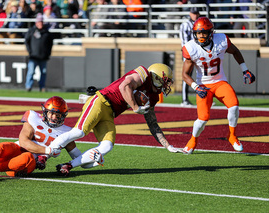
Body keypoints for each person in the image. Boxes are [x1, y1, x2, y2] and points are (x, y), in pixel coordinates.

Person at [49, 63, 181, 176]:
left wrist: (168, 146)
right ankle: (46, 154)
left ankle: (67, 165)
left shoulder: (153, 97)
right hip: (101, 101)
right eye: (165, 80)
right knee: (79, 132)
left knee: (107, 146)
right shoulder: (143, 74)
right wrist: (135, 107)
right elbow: (124, 86)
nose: (166, 84)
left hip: (110, 113)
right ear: (157, 77)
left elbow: (152, 123)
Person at [0, 96, 82, 177]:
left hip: (27, 163)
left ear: (63, 116)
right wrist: (48, 151)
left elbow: (77, 157)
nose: (54, 117)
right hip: (17, 150)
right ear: (44, 112)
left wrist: (71, 164)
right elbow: (24, 141)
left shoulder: (67, 132)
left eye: (58, 115)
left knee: (25, 159)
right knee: (1, 147)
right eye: (51, 113)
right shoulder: (33, 117)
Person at [181, 17, 256, 154]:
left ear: (211, 33)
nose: (201, 36)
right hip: (203, 85)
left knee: (234, 105)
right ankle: (193, 140)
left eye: (204, 33)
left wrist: (245, 70)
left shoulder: (221, 40)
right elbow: (185, 75)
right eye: (198, 33)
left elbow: (235, 51)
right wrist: (196, 87)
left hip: (220, 82)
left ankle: (232, 135)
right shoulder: (191, 48)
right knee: (203, 119)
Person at [25, 13, 53, 92]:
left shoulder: (46, 32)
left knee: (43, 72)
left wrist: (48, 53)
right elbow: (27, 41)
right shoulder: (31, 31)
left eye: (41, 22)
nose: (40, 23)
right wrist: (30, 51)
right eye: (39, 22)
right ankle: (28, 86)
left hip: (43, 56)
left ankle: (42, 87)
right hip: (33, 56)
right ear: (36, 22)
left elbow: (50, 43)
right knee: (31, 72)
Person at [179, 7, 200, 106]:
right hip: (189, 53)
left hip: (200, 52)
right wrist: (187, 53)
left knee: (203, 75)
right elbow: (184, 41)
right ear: (190, 13)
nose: (195, 15)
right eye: (193, 13)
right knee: (187, 75)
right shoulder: (185, 24)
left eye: (196, 13)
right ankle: (184, 99)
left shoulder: (200, 23)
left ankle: (206, 97)